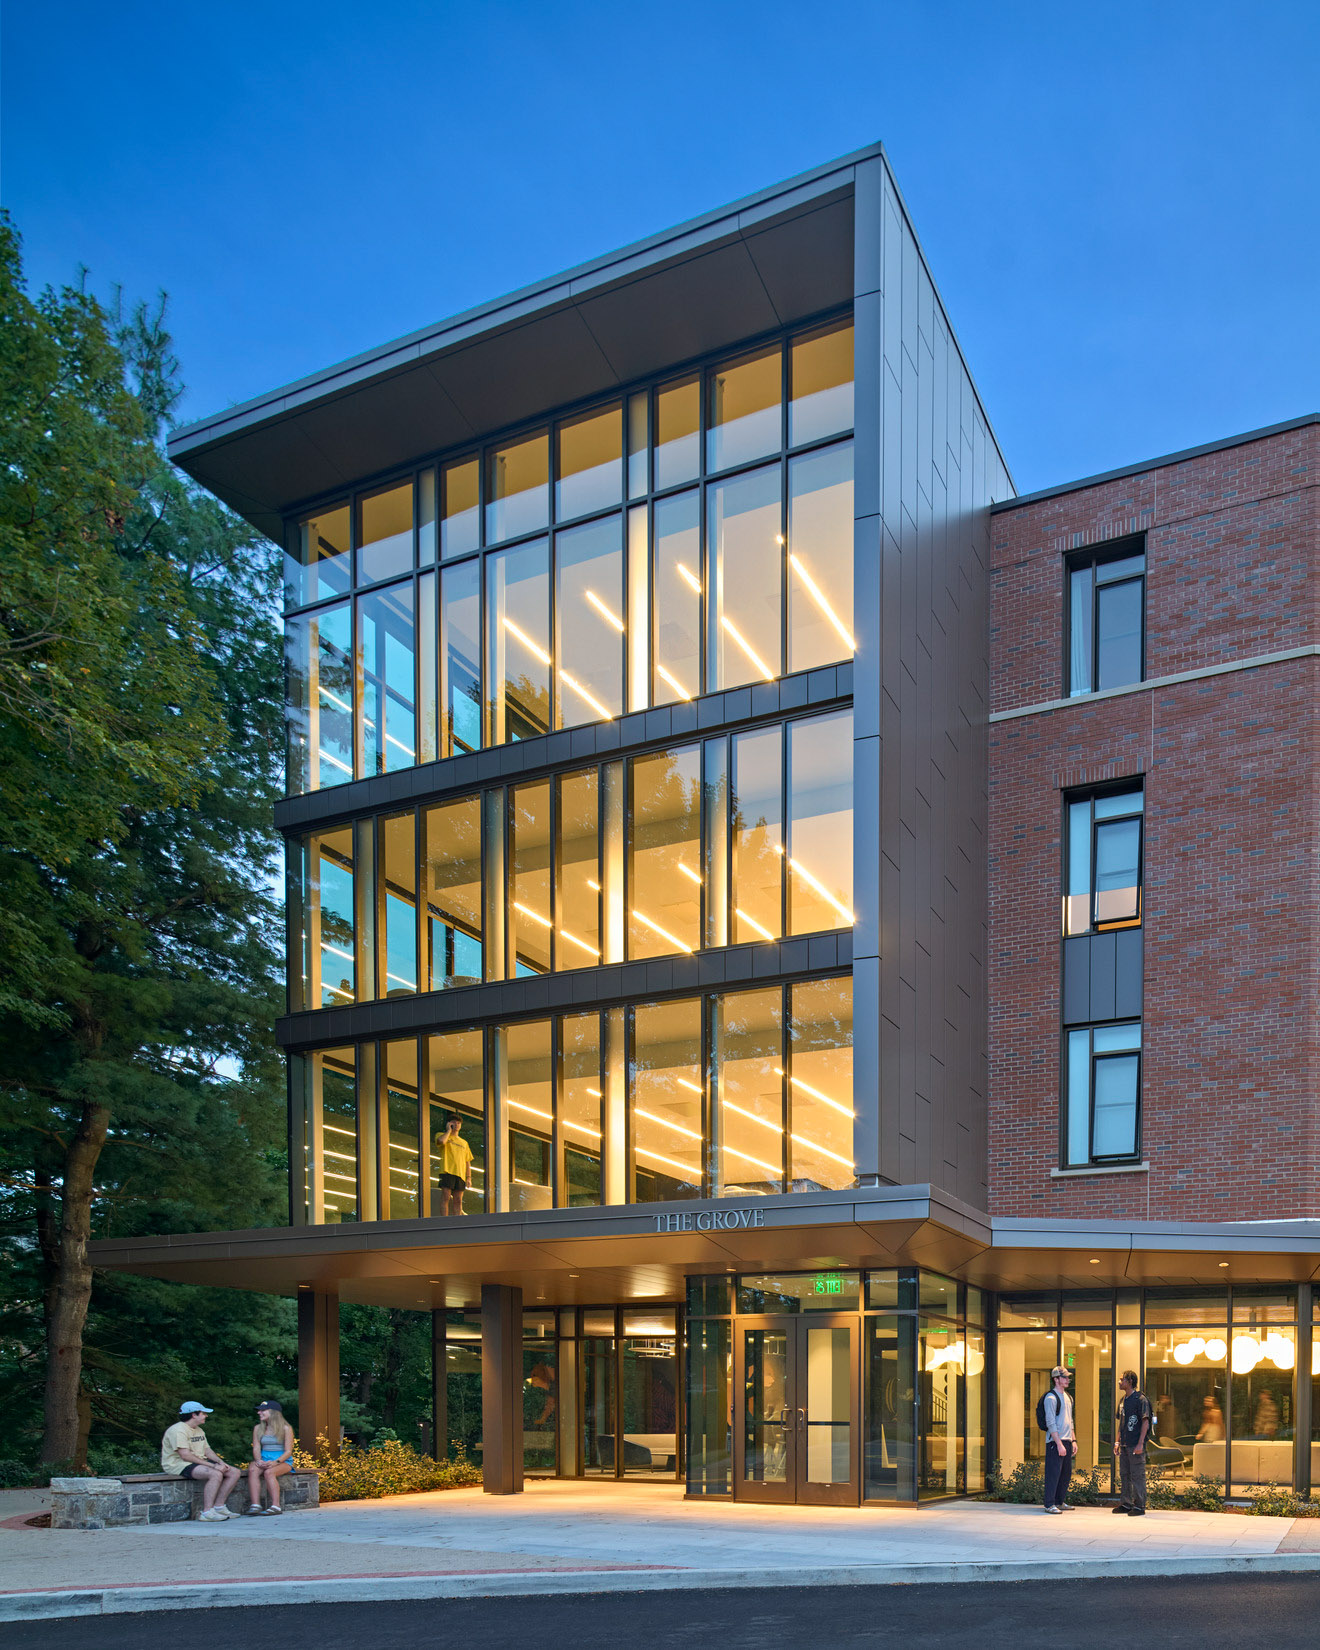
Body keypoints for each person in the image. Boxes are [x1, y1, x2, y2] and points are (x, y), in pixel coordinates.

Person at [160, 1400, 240, 1521]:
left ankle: (219, 1507)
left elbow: (207, 1450)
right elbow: (185, 1456)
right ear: (194, 1415)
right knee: (215, 1473)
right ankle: (207, 1512)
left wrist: (220, 1462)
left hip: (196, 1463)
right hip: (178, 1464)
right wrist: (213, 1466)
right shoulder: (178, 1430)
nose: (206, 1416)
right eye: (203, 1413)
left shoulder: (198, 1430)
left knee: (234, 1472)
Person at [246, 1399, 296, 1516]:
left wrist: (275, 1462)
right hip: (263, 1458)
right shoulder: (258, 1428)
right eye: (259, 1411)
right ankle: (255, 1505)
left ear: (273, 1412)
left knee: (269, 1472)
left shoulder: (286, 1428)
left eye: (263, 1410)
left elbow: (288, 1451)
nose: (259, 1413)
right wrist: (258, 1460)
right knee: (253, 1469)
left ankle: (275, 1506)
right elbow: (256, 1447)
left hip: (282, 1460)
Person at [1112, 1369, 1152, 1515]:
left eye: (1122, 1379)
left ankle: (1140, 1506)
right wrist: (1117, 1442)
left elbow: (1145, 1422)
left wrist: (1140, 1443)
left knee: (1137, 1475)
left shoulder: (1140, 1400)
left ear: (1129, 1381)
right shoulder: (1123, 1401)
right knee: (1125, 1474)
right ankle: (1126, 1503)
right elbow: (1121, 1423)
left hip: (1135, 1444)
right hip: (1124, 1444)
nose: (1119, 1381)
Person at [1042, 1364, 1076, 1514]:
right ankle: (1049, 1504)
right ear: (1056, 1379)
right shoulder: (1051, 1398)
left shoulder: (1068, 1397)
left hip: (1067, 1440)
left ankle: (1059, 1501)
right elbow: (1051, 1423)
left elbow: (1070, 1420)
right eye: (1064, 1377)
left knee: (1065, 1473)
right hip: (1055, 1442)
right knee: (1053, 1473)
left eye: (1068, 1377)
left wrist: (1073, 1440)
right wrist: (1059, 1444)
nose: (1067, 1379)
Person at [434, 1114, 473, 1216]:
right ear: (449, 1123)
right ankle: (444, 1220)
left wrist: (468, 1177)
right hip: (447, 1170)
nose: (457, 1125)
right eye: (454, 1122)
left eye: (459, 1123)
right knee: (446, 1196)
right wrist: (448, 1131)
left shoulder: (464, 1143)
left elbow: (467, 1161)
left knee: (458, 1200)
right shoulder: (441, 1135)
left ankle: (457, 1221)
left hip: (460, 1174)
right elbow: (441, 1142)